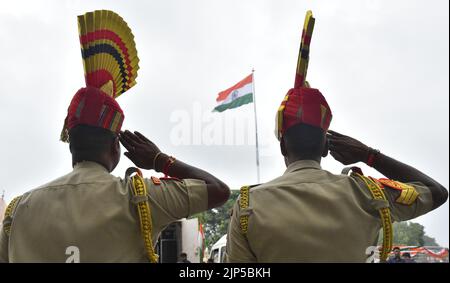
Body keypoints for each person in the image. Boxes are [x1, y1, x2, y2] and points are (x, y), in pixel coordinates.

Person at [0, 86, 230, 262]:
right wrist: (158, 159)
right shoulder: (141, 199)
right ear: (115, 147)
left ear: (71, 145)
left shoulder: (18, 210)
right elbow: (218, 190)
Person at [225, 87, 448, 263]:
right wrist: (370, 155)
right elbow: (436, 192)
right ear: (325, 148)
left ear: (283, 146)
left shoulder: (248, 205)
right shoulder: (367, 193)